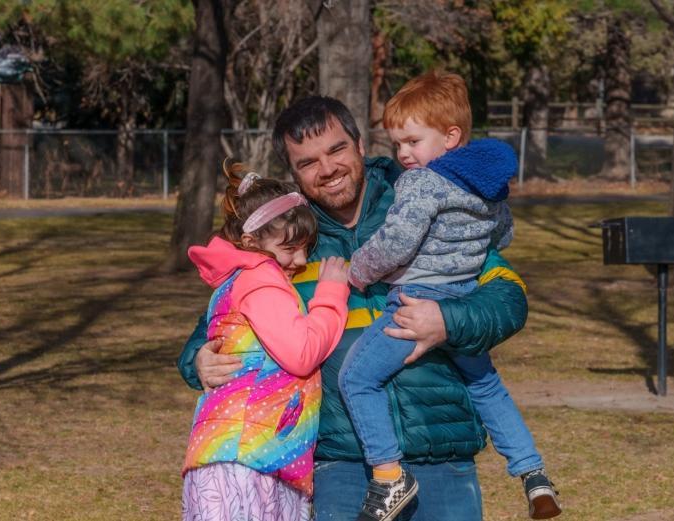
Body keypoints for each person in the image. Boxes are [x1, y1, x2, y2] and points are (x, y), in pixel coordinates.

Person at [177, 95, 529, 521]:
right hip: (342, 465)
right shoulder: (287, 242)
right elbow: (222, 316)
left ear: (360, 145)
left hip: (439, 452)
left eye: (336, 149)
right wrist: (199, 359)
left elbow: (508, 297)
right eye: (307, 162)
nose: (326, 169)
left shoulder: (427, 199)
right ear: (293, 172)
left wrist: (447, 321)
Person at [340, 71, 561, 521]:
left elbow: (396, 244)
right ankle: (532, 471)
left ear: (451, 137)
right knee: (485, 384)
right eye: (396, 143)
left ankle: (388, 477)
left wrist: (356, 272)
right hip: (463, 293)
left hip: (416, 299)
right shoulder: (486, 186)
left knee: (356, 379)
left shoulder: (421, 183)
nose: (403, 154)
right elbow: (504, 233)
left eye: (412, 141)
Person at [180, 161, 350, 521]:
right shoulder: (260, 279)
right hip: (248, 458)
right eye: (289, 249)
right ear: (251, 242)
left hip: (250, 453)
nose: (301, 260)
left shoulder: (242, 278)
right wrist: (332, 294)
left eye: (306, 248)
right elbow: (301, 354)